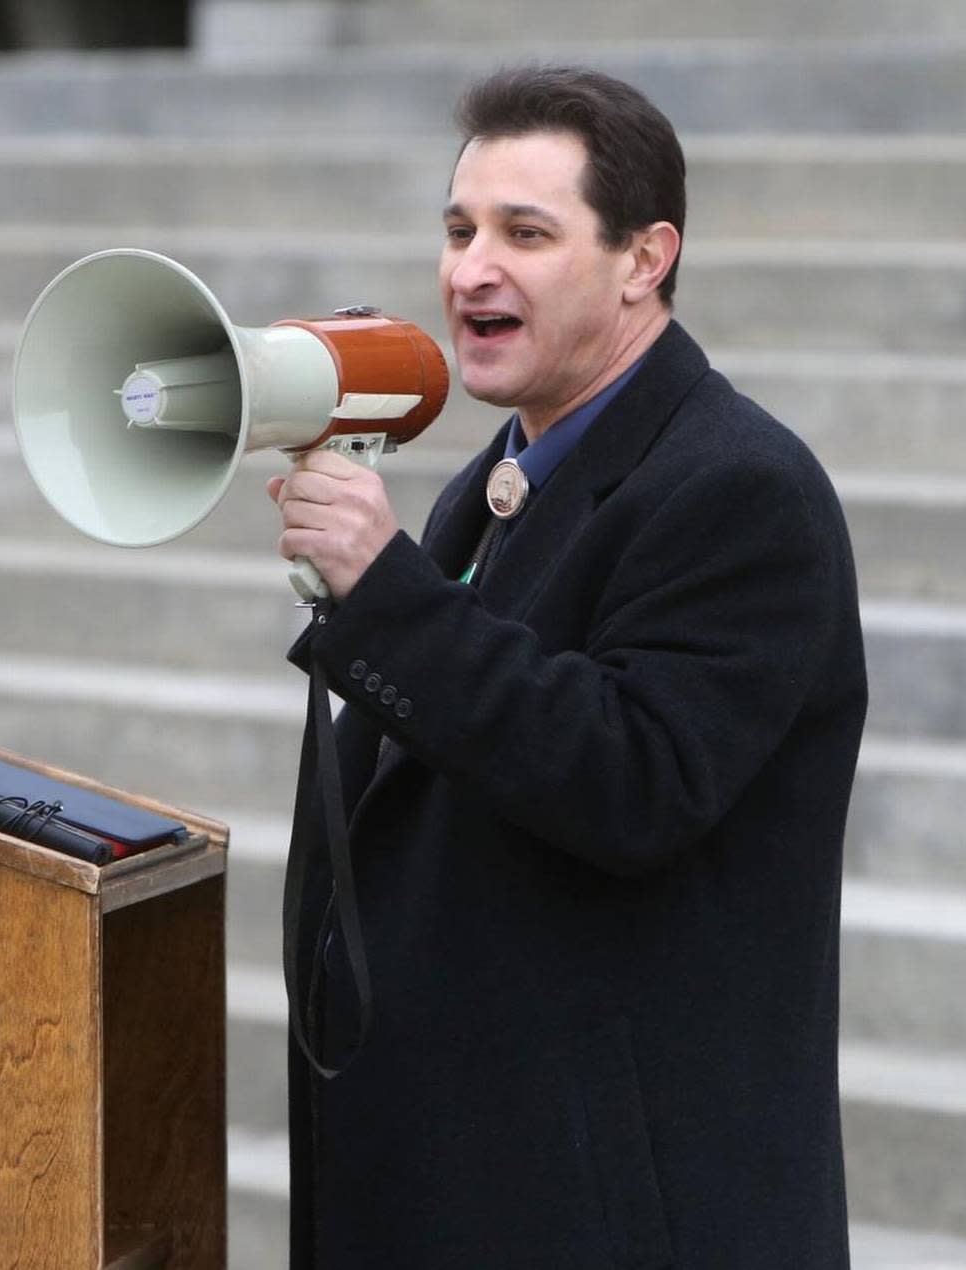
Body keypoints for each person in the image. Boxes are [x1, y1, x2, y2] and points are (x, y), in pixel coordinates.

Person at [268, 65, 867, 1270]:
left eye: (524, 233)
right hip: (466, 1181)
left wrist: (387, 594)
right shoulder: (494, 481)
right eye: (458, 229)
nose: (468, 269)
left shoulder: (741, 490)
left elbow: (632, 778)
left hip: (611, 1210)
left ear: (645, 259)